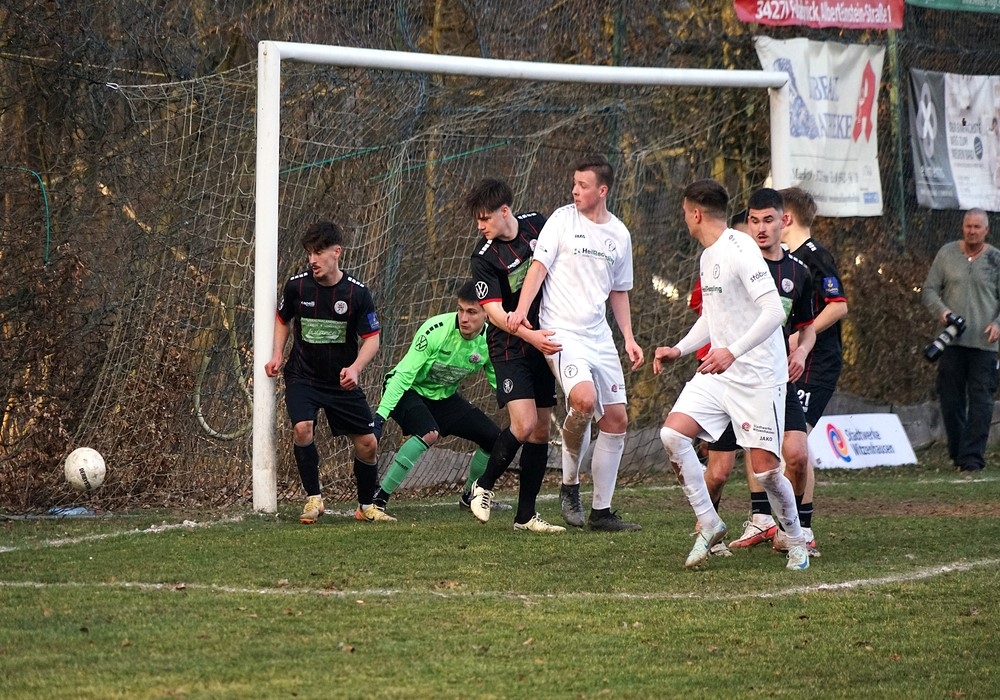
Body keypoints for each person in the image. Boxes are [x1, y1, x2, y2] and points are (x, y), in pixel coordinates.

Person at [653, 178, 809, 570]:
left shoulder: (740, 250)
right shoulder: (708, 257)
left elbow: (773, 313)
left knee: (767, 472)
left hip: (758, 376)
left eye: (684, 212)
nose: (684, 219)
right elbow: (712, 317)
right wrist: (679, 349)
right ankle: (710, 522)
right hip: (721, 374)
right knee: (672, 434)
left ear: (695, 214)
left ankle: (796, 540)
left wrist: (731, 352)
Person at [507, 154, 645, 532]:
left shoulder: (619, 234)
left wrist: (629, 338)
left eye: (583, 185)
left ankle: (602, 512)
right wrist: (521, 312)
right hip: (561, 331)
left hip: (599, 335)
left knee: (616, 420)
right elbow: (538, 269)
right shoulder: (562, 220)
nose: (575, 190)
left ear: (602, 190)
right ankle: (569, 485)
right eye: (574, 183)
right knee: (583, 400)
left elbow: (619, 290)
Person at [698, 189, 817, 557]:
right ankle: (708, 531)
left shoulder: (798, 272)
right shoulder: (731, 259)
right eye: (754, 220)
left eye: (768, 220)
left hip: (772, 378)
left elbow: (807, 326)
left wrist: (801, 350)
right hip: (730, 378)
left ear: (784, 221)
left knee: (796, 455)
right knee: (719, 471)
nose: (761, 228)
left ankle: (791, 530)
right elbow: (708, 317)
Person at [264, 220, 393, 524]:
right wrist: (278, 353)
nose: (312, 259)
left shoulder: (357, 293)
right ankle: (314, 499)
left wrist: (356, 368)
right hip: (303, 376)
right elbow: (282, 318)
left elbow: (373, 339)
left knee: (368, 443)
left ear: (337, 252)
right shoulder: (297, 286)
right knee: (302, 428)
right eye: (309, 253)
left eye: (319, 252)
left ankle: (365, 506)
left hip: (340, 381)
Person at [463, 177, 565, 534]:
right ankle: (482, 486)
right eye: (477, 220)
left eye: (484, 218)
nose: (480, 226)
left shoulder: (538, 223)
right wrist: (531, 337)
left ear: (505, 211)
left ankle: (526, 516)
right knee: (523, 424)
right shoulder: (483, 258)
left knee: (541, 430)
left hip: (543, 337)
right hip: (510, 345)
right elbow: (494, 313)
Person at [758, 186, 847, 555]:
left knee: (796, 445)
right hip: (792, 362)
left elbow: (838, 305)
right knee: (785, 444)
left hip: (817, 363)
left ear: (786, 218)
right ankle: (778, 523)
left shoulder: (813, 256)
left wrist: (799, 336)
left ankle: (802, 529)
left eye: (772, 217)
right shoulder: (786, 260)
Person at [369, 280, 507, 516]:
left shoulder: (491, 340)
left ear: (487, 313)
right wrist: (380, 417)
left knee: (494, 438)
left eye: (472, 312)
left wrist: (521, 411)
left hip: (444, 397)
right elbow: (403, 375)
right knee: (429, 432)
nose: (464, 318)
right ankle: (378, 498)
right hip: (408, 390)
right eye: (460, 310)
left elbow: (499, 383)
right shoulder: (436, 330)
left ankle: (470, 496)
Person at [922, 208, 1000, 473]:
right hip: (951, 343)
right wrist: (943, 312)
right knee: (950, 400)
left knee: (981, 402)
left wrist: (997, 324)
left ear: (986, 230)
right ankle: (958, 454)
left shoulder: (995, 259)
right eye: (968, 226)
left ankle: (972, 459)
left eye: (977, 227)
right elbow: (929, 290)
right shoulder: (947, 254)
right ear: (962, 227)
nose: (972, 231)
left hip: (984, 345)